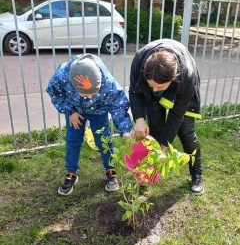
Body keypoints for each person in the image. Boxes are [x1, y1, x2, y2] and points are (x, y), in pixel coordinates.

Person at [46, 53, 132, 195]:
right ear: (74, 86)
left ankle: (110, 170)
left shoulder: (108, 83)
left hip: (99, 112)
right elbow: (54, 93)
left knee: (104, 139)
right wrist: (70, 111)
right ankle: (71, 173)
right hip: (75, 112)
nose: (90, 98)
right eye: (85, 95)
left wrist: (125, 130)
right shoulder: (62, 76)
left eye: (94, 92)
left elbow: (118, 105)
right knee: (73, 141)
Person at [128, 39, 204, 194]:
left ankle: (197, 174)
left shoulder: (186, 75)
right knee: (155, 128)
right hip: (156, 79)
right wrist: (139, 119)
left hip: (182, 88)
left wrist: (164, 145)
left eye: (160, 87)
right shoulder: (140, 60)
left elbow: (176, 115)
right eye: (151, 85)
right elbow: (134, 92)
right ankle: (150, 172)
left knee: (186, 132)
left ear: (174, 77)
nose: (155, 90)